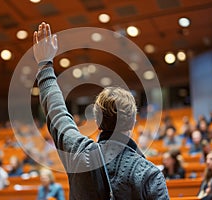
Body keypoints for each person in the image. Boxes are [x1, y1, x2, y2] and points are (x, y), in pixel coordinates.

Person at [33, 22, 169, 199]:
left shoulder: (78, 153)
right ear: (134, 121)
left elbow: (57, 112)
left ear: (97, 121)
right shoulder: (149, 174)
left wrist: (45, 65)